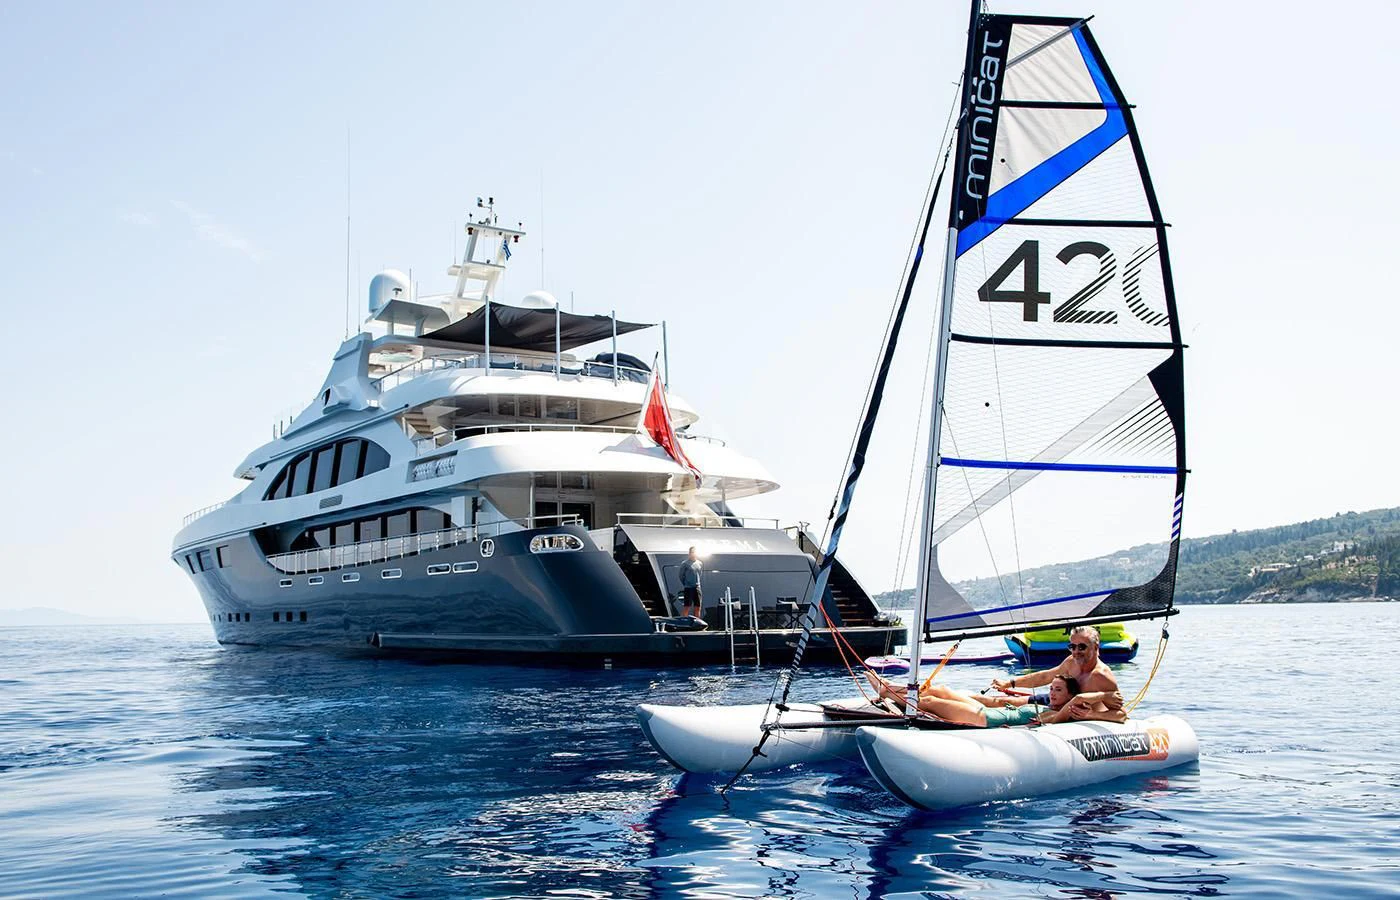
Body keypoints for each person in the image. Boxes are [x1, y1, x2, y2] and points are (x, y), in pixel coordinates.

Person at [990, 625, 1126, 722]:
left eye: (1082, 647)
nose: (1076, 652)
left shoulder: (1101, 676)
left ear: (1095, 647)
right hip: (1057, 702)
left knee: (1016, 712)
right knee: (1003, 701)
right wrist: (1009, 683)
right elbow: (1045, 676)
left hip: (1068, 714)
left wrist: (1092, 715)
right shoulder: (1071, 661)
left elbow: (1121, 715)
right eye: (1072, 647)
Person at [866, 671, 1095, 727]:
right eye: (1051, 688)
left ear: (1070, 696)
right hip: (989, 711)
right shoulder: (1044, 704)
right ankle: (889, 686)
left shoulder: (1056, 715)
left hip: (985, 718)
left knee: (929, 703)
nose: (1052, 693)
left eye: (1058, 690)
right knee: (942, 690)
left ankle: (885, 692)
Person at [678, 546, 704, 620]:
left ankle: (697, 622)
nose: (693, 554)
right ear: (689, 553)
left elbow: (700, 574)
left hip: (697, 587)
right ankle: (684, 622)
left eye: (694, 552)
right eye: (691, 552)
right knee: (687, 606)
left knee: (698, 607)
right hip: (688, 588)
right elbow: (681, 576)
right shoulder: (685, 563)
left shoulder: (700, 563)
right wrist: (686, 583)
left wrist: (697, 583)